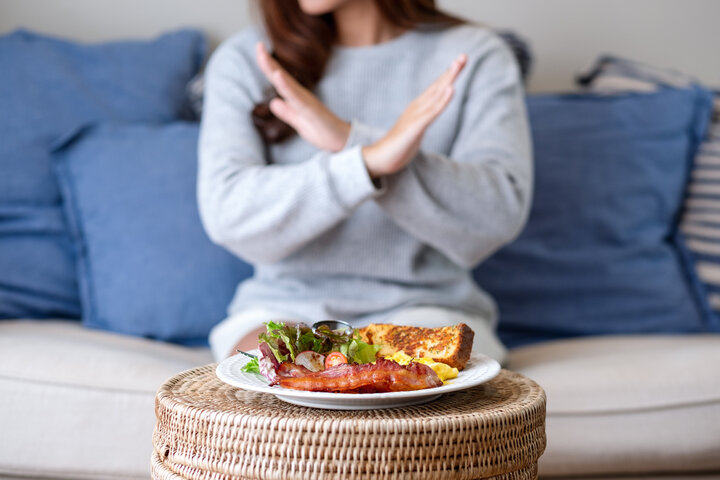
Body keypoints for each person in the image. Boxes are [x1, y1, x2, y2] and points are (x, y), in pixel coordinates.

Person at [198, 0, 533, 364]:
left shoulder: (476, 56)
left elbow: (497, 215)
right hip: (278, 307)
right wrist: (365, 161)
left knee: (407, 399)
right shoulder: (246, 60)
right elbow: (227, 213)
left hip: (429, 306)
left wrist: (348, 139)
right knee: (260, 379)